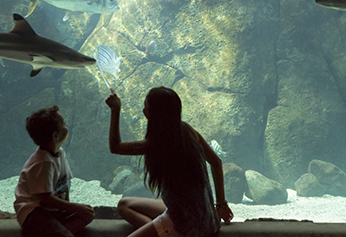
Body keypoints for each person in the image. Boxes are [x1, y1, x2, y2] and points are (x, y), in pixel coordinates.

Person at [106, 87, 234, 237]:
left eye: (146, 106)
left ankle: (163, 231)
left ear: (155, 114)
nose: (143, 110)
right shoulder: (188, 130)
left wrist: (116, 110)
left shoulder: (157, 143)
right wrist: (221, 204)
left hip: (185, 226)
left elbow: (115, 147)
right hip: (207, 218)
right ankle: (160, 232)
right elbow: (216, 162)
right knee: (124, 205)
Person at [14, 105, 95, 237]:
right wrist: (74, 207)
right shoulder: (43, 162)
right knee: (79, 214)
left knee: (87, 214)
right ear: (56, 136)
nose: (67, 125)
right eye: (63, 124)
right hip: (33, 212)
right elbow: (45, 199)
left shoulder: (60, 153)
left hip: (50, 210)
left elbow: (64, 185)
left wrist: (73, 207)